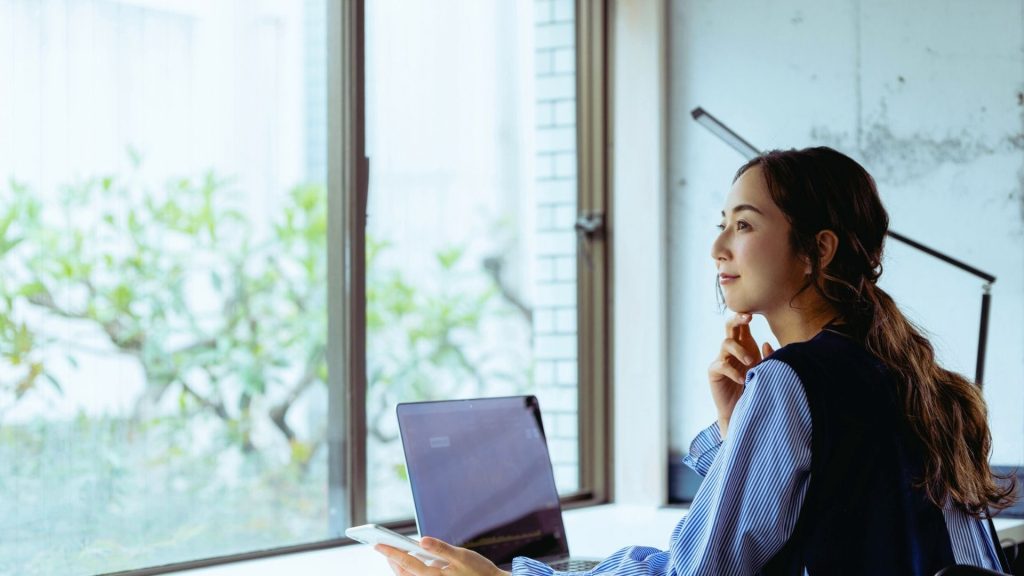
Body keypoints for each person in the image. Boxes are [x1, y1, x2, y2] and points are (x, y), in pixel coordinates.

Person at [373, 147, 1017, 576]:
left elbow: (699, 574)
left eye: (742, 224)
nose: (717, 247)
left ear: (816, 249)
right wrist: (737, 430)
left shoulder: (792, 383)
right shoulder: (912, 379)